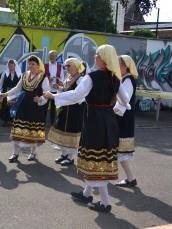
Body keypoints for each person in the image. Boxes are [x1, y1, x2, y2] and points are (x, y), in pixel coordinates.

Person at [44, 45, 129, 213]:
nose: (95, 58)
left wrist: (55, 96)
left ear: (104, 58)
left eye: (97, 55)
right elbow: (125, 100)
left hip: (94, 121)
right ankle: (86, 193)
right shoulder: (114, 78)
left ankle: (105, 203)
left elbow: (76, 95)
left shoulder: (92, 77)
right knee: (101, 159)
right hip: (108, 120)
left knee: (95, 161)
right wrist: (116, 110)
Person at [0, 55, 50, 162]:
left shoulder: (43, 77)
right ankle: (15, 153)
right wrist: (5, 94)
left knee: (33, 131)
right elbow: (17, 88)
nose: (30, 66)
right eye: (29, 63)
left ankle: (33, 152)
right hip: (23, 105)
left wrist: (40, 99)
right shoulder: (25, 75)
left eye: (33, 64)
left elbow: (47, 93)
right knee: (18, 130)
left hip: (35, 107)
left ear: (38, 65)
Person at [48, 58, 85, 166]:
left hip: (75, 110)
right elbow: (65, 91)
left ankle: (71, 157)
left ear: (76, 66)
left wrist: (57, 95)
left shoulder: (80, 79)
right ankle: (64, 153)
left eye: (69, 66)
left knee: (73, 131)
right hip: (65, 109)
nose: (67, 68)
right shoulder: (69, 78)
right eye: (66, 66)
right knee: (63, 129)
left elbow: (78, 96)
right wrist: (58, 88)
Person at [114, 55, 138, 188]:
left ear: (125, 66)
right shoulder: (123, 79)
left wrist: (110, 111)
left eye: (118, 65)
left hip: (123, 119)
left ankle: (131, 178)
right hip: (120, 118)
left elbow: (124, 101)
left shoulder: (128, 80)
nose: (116, 67)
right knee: (118, 152)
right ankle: (131, 178)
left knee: (121, 152)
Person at [0, 59, 21, 127]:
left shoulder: (20, 74)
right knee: (6, 107)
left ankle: (13, 120)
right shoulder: (5, 73)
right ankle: (6, 121)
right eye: (9, 64)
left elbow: (21, 86)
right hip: (6, 93)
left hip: (15, 93)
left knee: (14, 107)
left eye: (12, 64)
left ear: (15, 65)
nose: (10, 66)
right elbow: (0, 83)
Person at [44, 50, 64, 125]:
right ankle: (42, 122)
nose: (52, 57)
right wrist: (49, 79)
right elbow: (42, 76)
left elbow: (62, 77)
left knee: (53, 107)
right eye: (51, 55)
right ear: (49, 57)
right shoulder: (45, 65)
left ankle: (52, 123)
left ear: (56, 57)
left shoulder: (60, 66)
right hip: (47, 89)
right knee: (44, 106)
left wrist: (58, 83)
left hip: (55, 90)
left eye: (54, 55)